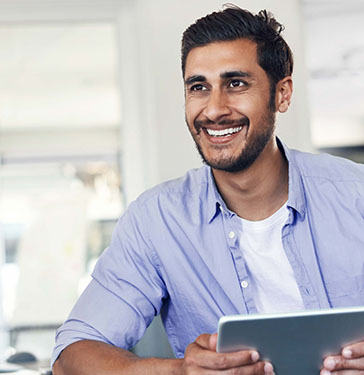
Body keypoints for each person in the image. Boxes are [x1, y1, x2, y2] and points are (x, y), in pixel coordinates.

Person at [52, 5, 364, 375]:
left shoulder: (355, 196)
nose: (214, 109)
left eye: (236, 84)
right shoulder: (156, 221)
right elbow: (71, 355)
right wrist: (179, 371)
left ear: (282, 94)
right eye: (199, 87)